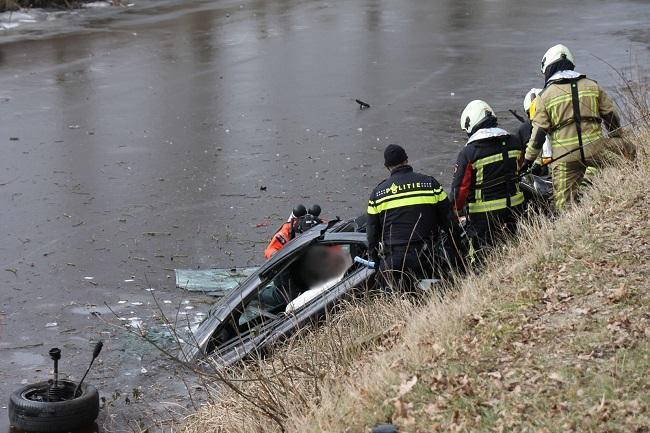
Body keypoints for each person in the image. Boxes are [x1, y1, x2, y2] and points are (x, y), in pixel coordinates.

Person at [521, 44, 622, 210]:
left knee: (562, 205)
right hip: (596, 150)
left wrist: (528, 160)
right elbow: (611, 116)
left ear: (547, 68)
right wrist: (616, 139)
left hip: (565, 159)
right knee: (629, 153)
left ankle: (570, 226)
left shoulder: (544, 96)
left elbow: (539, 132)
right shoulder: (592, 85)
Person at [366, 144, 461, 287]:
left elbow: (372, 235)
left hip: (394, 260)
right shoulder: (430, 183)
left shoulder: (377, 194)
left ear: (387, 167)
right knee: (436, 290)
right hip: (427, 256)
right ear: (407, 160)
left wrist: (377, 263)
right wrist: (457, 254)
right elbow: (450, 222)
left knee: (392, 294)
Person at [451, 100, 524, 257]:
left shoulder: (469, 153)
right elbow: (519, 166)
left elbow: (460, 191)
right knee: (515, 245)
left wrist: (454, 212)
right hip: (516, 207)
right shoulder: (514, 141)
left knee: (481, 255)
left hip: (484, 216)